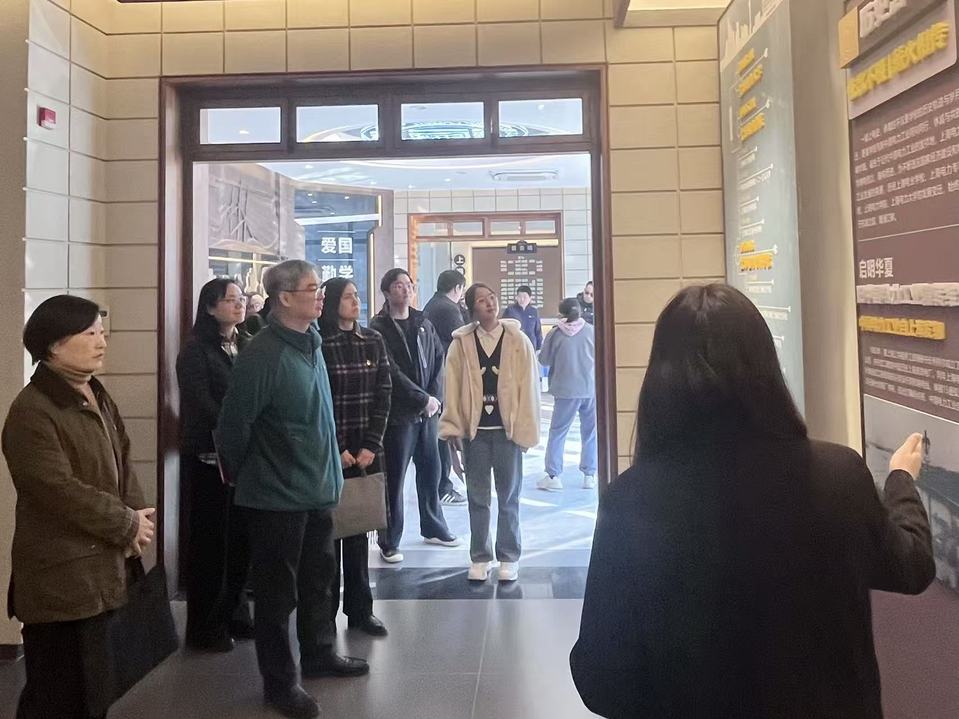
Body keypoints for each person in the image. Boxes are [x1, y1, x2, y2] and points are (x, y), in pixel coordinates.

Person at [569, 284, 936, 719]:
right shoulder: (838, 474)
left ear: (661, 378)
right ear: (767, 367)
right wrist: (900, 479)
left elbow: (601, 678)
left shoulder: (632, 500)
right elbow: (910, 567)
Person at [216, 261, 368, 719]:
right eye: (311, 288)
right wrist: (250, 474)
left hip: (317, 487)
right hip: (276, 496)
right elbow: (234, 425)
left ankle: (319, 653)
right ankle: (280, 683)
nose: (320, 295)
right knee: (277, 596)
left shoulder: (311, 342)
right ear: (283, 298)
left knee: (319, 581)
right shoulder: (263, 353)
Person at [3, 295, 155, 719]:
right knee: (58, 693)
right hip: (62, 578)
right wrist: (125, 523)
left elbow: (123, 457)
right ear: (54, 345)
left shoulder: (94, 391)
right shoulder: (32, 410)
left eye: (102, 333)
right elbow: (56, 490)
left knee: (95, 690)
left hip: (101, 568)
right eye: (89, 334)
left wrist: (137, 516)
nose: (101, 342)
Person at [440, 284, 541, 583]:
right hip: (476, 435)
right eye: (482, 300)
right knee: (478, 497)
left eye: (492, 298)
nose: (489, 303)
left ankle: (509, 556)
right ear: (472, 308)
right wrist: (453, 429)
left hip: (507, 433)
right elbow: (452, 388)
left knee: (509, 496)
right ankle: (480, 556)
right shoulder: (461, 343)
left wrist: (526, 430)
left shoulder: (517, 340)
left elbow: (529, 388)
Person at [176, 278, 253, 652]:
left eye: (241, 299)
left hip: (243, 458)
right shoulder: (195, 351)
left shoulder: (246, 344)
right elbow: (199, 402)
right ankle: (206, 627)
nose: (239, 305)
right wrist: (235, 425)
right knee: (210, 545)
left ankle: (236, 613)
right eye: (231, 300)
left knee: (239, 542)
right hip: (209, 458)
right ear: (209, 307)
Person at [370, 269, 460, 563]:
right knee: (395, 478)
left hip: (428, 413)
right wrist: (422, 399)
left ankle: (433, 526)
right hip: (399, 414)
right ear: (386, 291)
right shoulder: (378, 328)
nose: (406, 289)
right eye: (399, 285)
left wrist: (434, 398)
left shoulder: (423, 322)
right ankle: (390, 540)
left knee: (431, 471)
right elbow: (390, 371)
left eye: (409, 284)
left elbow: (438, 360)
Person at [318, 277, 391, 638]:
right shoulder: (319, 343)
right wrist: (338, 448)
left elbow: (384, 393)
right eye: (348, 297)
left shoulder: (372, 340)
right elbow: (319, 400)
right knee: (329, 534)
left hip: (366, 450)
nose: (355, 302)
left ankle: (361, 610)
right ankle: (325, 612)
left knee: (360, 530)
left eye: (357, 296)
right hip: (331, 452)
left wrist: (371, 445)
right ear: (332, 302)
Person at [537, 298, 597, 492]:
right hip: (589, 388)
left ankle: (553, 476)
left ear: (561, 314)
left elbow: (544, 360)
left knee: (558, 432)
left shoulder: (555, 334)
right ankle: (589, 475)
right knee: (590, 432)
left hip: (565, 390)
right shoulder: (592, 331)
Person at [423, 269, 470, 506]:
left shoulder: (433, 304)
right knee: (443, 434)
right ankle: (444, 487)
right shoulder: (448, 309)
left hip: (435, 377)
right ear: (457, 288)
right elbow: (463, 341)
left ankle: (443, 484)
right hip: (443, 378)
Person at [502, 285, 543, 351]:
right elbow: (503, 328)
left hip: (531, 346)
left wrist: (539, 347)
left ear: (530, 298)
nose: (522, 299)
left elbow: (538, 331)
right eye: (519, 297)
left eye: (524, 297)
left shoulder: (534, 311)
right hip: (514, 346)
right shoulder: (510, 310)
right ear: (516, 297)